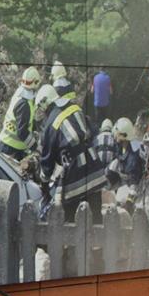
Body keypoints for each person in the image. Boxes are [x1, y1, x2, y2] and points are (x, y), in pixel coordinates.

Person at [38, 90, 107, 222]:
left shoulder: (51, 124)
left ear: (44, 105)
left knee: (70, 220)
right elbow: (93, 131)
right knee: (96, 217)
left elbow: (47, 161)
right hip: (94, 169)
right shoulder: (75, 107)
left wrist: (44, 183)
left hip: (75, 176)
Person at [0, 66, 41, 163]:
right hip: (10, 149)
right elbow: (22, 132)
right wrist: (35, 147)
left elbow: (26, 120)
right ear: (36, 83)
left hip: (9, 145)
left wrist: (35, 128)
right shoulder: (25, 104)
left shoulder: (20, 94)